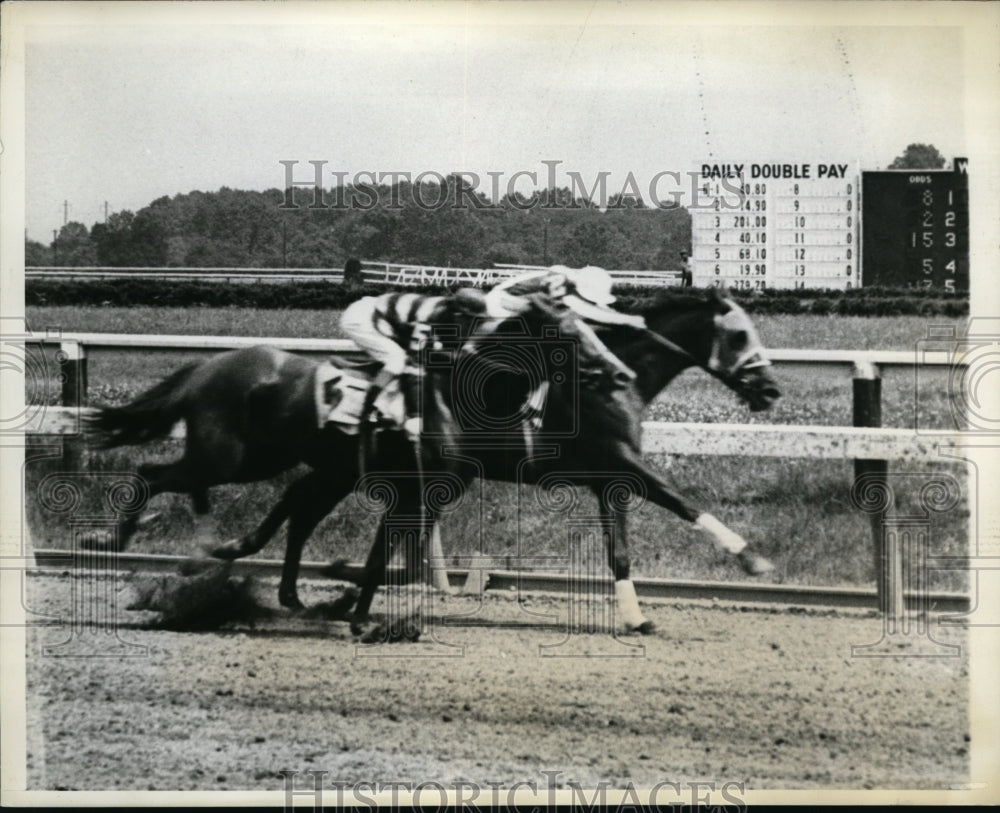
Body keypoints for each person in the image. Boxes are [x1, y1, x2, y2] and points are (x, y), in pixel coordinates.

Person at [483, 264, 646, 378]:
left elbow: (599, 308)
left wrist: (622, 319)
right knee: (567, 325)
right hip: (501, 304)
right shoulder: (560, 283)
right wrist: (627, 319)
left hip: (525, 305)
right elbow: (583, 309)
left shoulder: (579, 284)